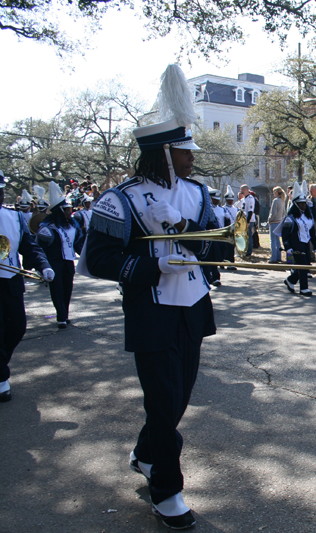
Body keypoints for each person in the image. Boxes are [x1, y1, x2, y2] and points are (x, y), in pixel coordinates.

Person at [82, 64, 218, 530]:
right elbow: (96, 260)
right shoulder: (119, 199)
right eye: (185, 152)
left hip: (193, 309)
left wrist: (184, 230)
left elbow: (217, 246)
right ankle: (166, 489)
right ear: (164, 152)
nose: (192, 159)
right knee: (163, 402)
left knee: (177, 400)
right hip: (151, 311)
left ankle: (145, 452)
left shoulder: (199, 196)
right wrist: (152, 265)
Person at [0, 170, 54, 402]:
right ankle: (2, 377)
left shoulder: (13, 217)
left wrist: (43, 266)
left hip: (11, 283)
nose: (1, 194)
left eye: (1, 189)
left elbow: (28, 246)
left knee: (16, 328)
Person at [37, 182, 85, 329]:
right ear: (59, 211)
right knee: (57, 289)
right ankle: (61, 316)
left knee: (67, 288)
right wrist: (42, 267)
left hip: (68, 262)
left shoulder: (73, 227)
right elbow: (40, 248)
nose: (69, 212)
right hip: (54, 262)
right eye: (66, 210)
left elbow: (77, 245)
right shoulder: (46, 229)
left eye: (69, 209)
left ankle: (65, 313)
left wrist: (85, 255)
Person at [281, 181, 316, 296]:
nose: (303, 205)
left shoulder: (308, 216)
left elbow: (312, 230)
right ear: (295, 204)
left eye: (304, 203)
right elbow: (285, 234)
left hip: (306, 243)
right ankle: (304, 288)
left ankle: (290, 280)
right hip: (296, 243)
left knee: (305, 264)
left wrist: (314, 244)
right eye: (300, 203)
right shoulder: (290, 218)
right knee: (303, 265)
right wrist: (287, 247)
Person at [267, 186, 286, 263]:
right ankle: (278, 256)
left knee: (273, 240)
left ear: (277, 192)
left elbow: (273, 213)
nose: (273, 193)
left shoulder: (275, 201)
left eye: (274, 192)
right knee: (278, 241)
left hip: (274, 222)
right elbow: (284, 212)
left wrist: (269, 219)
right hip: (279, 221)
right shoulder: (282, 201)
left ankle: (273, 257)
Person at [222, 185, 239, 269]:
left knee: (231, 248)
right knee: (225, 247)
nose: (230, 202)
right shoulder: (223, 209)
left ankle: (231, 262)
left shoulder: (236, 209)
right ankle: (224, 262)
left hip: (234, 230)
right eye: (229, 200)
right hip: (226, 230)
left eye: (231, 200)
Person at [240, 184, 255, 257]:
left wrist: (248, 221)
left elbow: (250, 211)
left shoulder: (250, 198)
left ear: (245, 190)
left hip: (249, 220)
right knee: (245, 236)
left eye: (242, 190)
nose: (241, 192)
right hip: (244, 220)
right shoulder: (244, 199)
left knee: (249, 236)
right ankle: (245, 249)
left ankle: (249, 251)